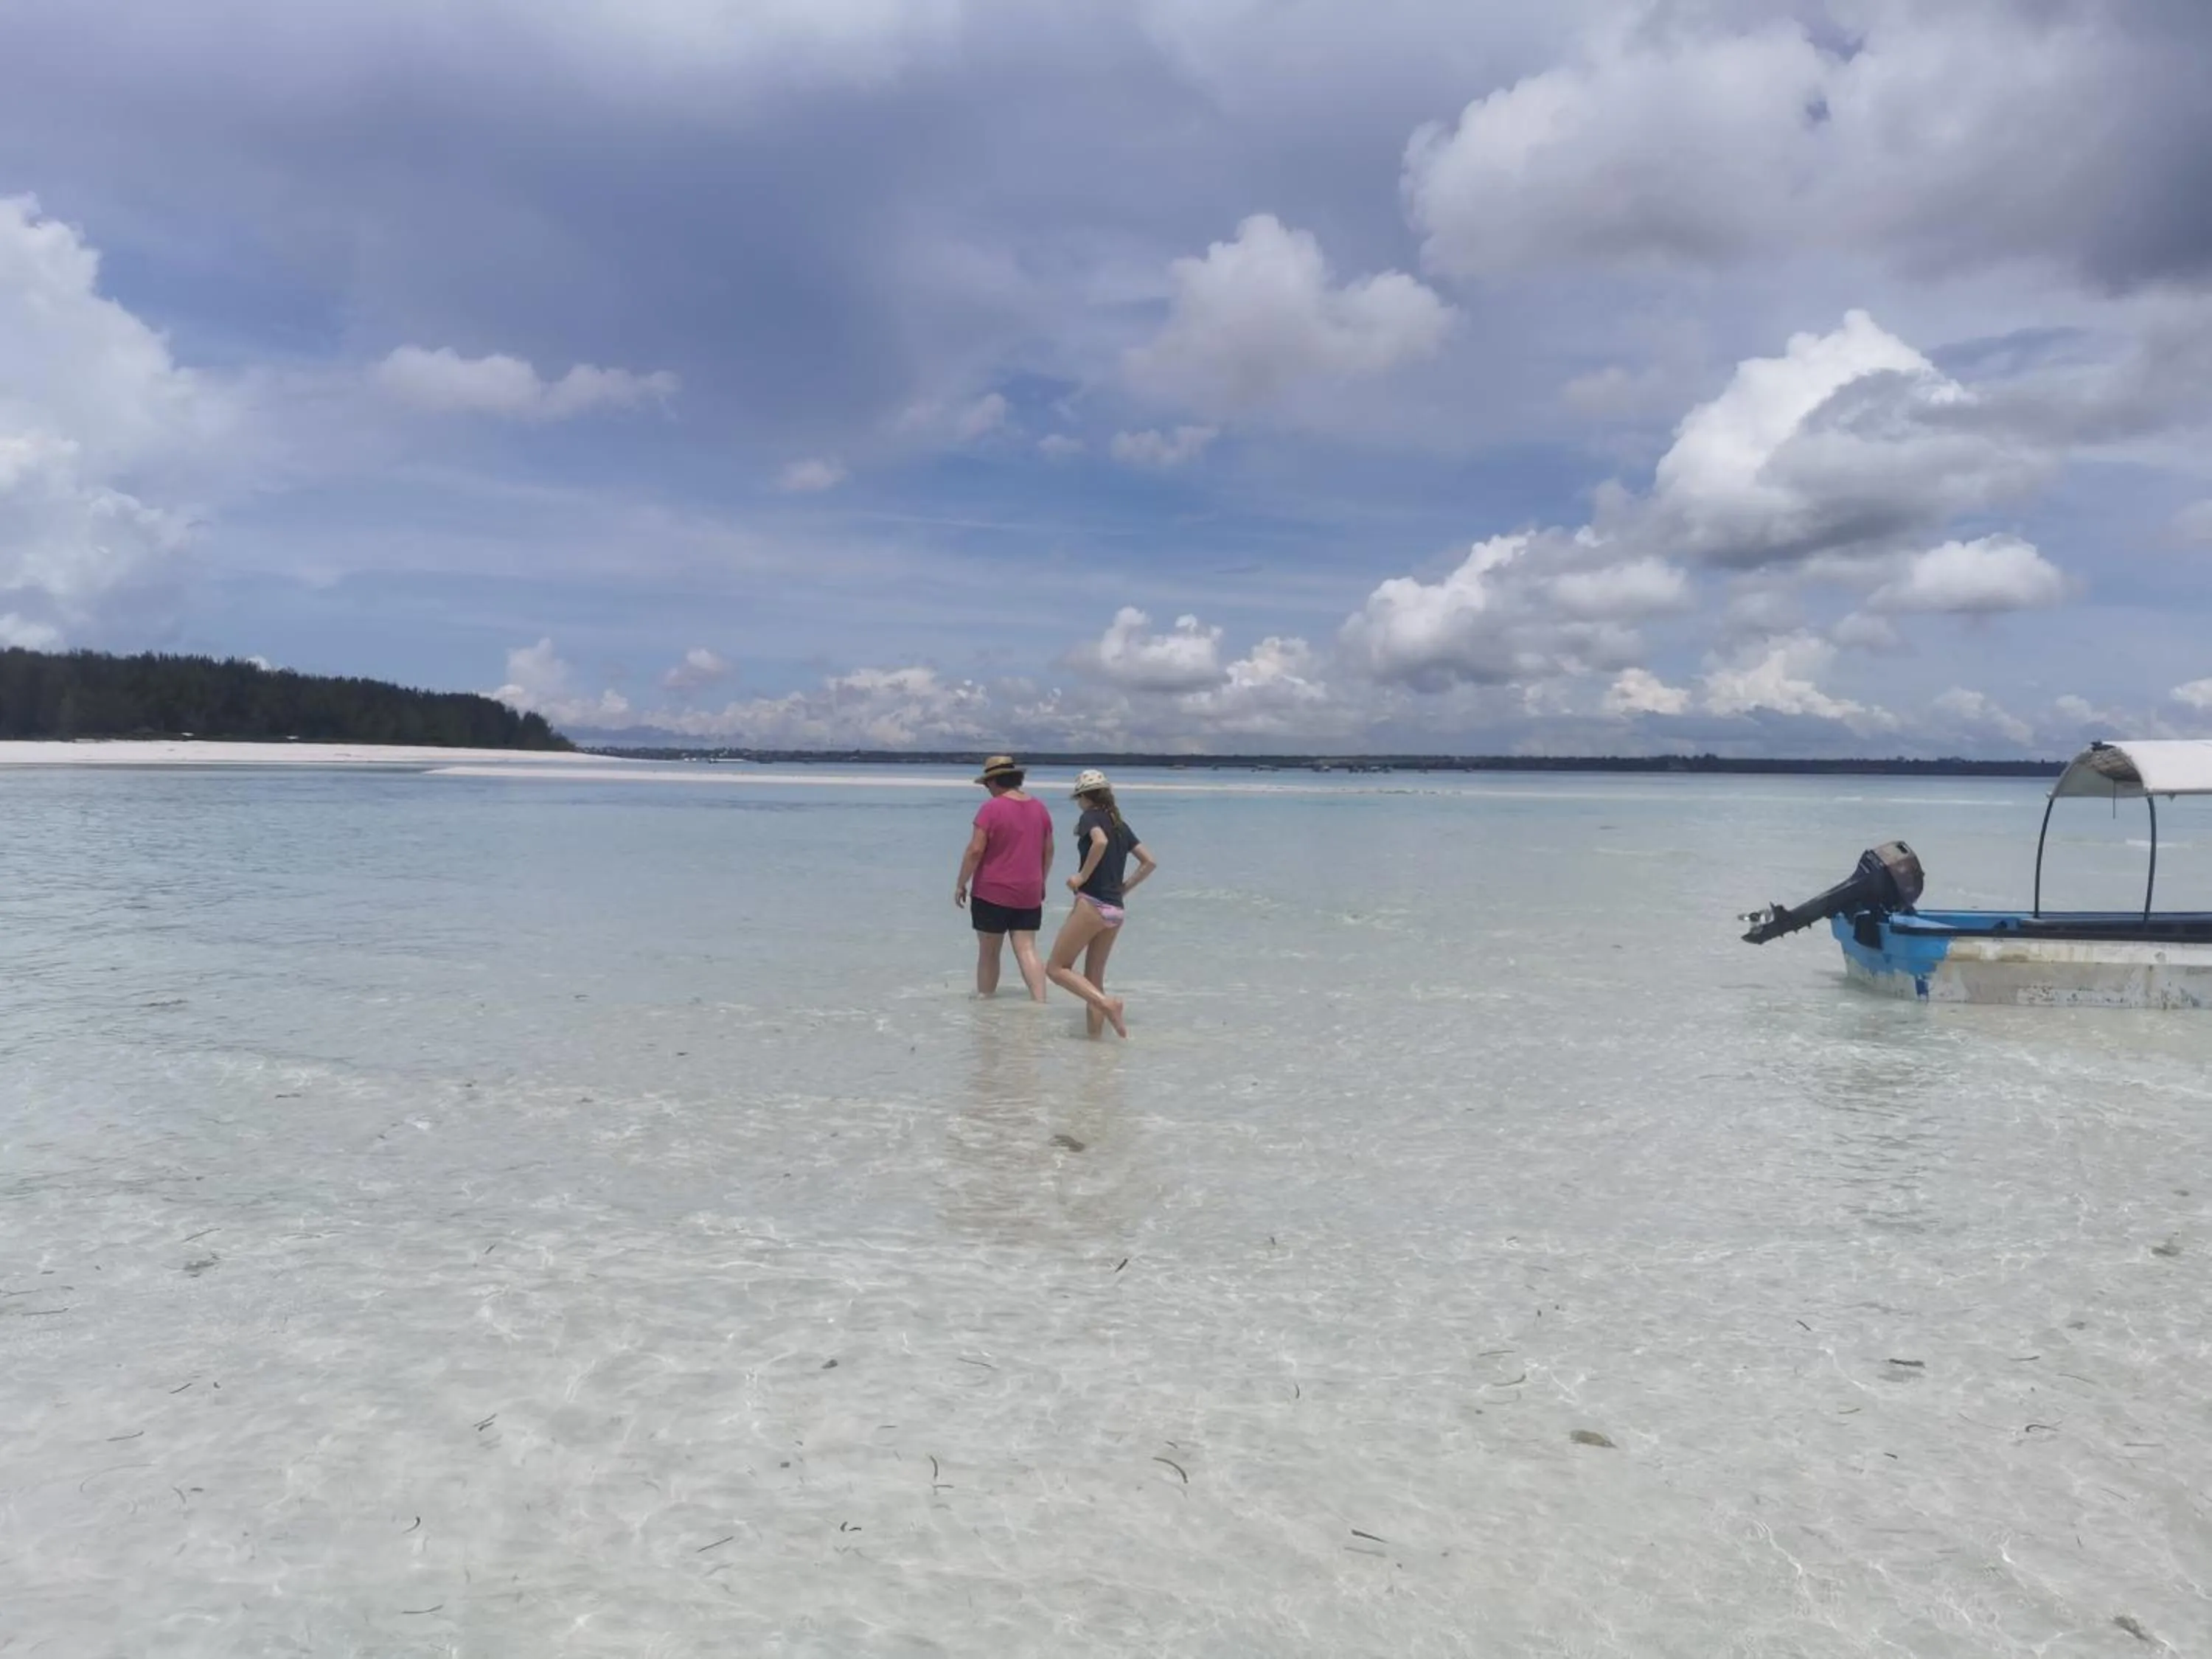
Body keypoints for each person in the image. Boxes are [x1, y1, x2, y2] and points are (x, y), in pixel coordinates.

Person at [1047, 768, 1155, 1038]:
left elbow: (1100, 841)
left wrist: (1081, 876)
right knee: (1093, 980)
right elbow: (1149, 862)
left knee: (1056, 968)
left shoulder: (1090, 817)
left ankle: (1109, 1005)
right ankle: (1095, 1045)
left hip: (1093, 904)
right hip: (1115, 909)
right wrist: (1123, 889)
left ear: (1084, 797)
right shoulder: (1120, 823)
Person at [954, 755, 1053, 1000]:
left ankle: (985, 1005)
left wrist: (960, 883)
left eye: (987, 785)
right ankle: (1040, 1002)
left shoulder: (992, 808)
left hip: (992, 891)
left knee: (989, 952)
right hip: (1030, 890)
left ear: (994, 782)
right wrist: (1041, 881)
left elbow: (975, 850)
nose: (987, 790)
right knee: (1027, 948)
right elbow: (1049, 849)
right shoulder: (1039, 807)